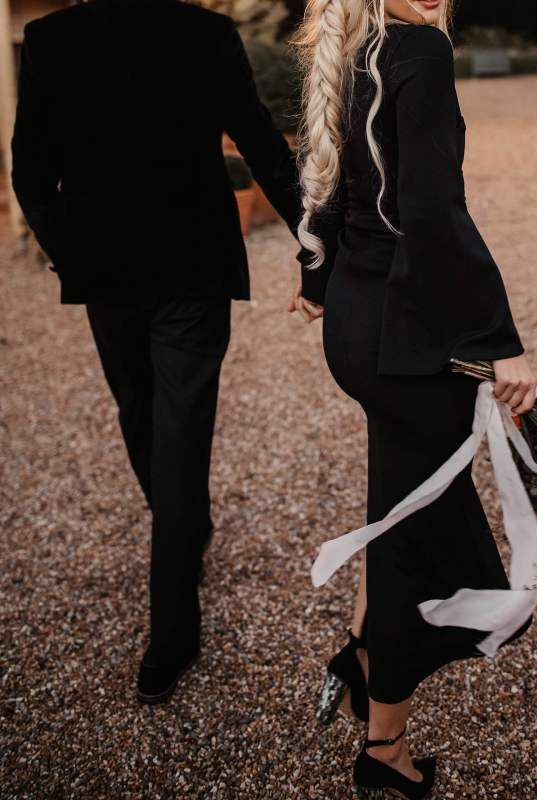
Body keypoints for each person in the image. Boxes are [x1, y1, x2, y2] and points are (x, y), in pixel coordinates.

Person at [11, 0, 304, 704]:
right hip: (161, 269)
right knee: (159, 423)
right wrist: (312, 238)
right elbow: (260, 139)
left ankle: (173, 623)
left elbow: (29, 170)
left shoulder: (60, 38)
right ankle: (183, 540)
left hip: (141, 270)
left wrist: (66, 252)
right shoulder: (195, 32)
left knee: (154, 421)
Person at [290, 1, 537, 797]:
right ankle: (384, 750)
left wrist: (316, 276)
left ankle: (363, 656)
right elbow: (432, 215)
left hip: (361, 327)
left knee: (397, 502)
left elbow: (332, 176)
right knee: (415, 539)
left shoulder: (357, 44)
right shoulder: (419, 51)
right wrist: (501, 341)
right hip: (403, 339)